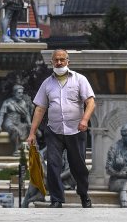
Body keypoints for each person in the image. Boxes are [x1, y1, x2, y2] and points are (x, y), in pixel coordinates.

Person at [27, 49, 96, 208]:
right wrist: (32, 133)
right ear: (52, 62)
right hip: (54, 131)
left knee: (78, 167)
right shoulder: (47, 83)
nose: (59, 62)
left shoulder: (80, 79)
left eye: (62, 59)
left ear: (68, 61)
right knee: (52, 165)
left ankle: (84, 195)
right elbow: (39, 108)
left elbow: (91, 102)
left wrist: (85, 119)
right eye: (56, 60)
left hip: (76, 130)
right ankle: (56, 199)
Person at [0, 83, 33, 154]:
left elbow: (27, 115)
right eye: (19, 93)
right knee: (15, 130)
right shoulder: (7, 102)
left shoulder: (23, 103)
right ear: (14, 93)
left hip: (18, 123)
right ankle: (16, 149)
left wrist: (29, 124)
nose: (21, 94)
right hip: (9, 123)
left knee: (29, 127)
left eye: (22, 93)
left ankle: (31, 147)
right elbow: (1, 114)